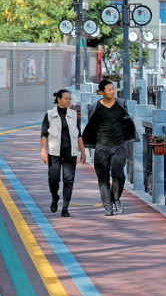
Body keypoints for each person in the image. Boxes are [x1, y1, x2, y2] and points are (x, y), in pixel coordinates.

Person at [83, 79, 139, 216]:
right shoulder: (95, 107)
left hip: (119, 145)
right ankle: (108, 206)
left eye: (113, 89)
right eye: (109, 90)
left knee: (118, 175)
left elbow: (127, 122)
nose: (112, 91)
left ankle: (116, 198)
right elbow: (91, 127)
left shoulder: (121, 104)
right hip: (102, 147)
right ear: (101, 92)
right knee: (103, 178)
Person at [41, 89, 86, 218]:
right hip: (54, 152)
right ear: (59, 99)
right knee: (53, 179)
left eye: (70, 99)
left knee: (69, 180)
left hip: (70, 152)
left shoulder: (73, 114)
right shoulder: (49, 114)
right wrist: (43, 151)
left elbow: (79, 134)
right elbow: (44, 134)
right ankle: (55, 197)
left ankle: (65, 208)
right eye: (66, 98)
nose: (68, 101)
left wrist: (82, 151)